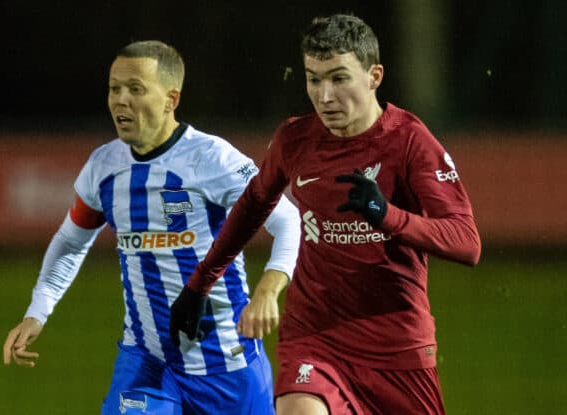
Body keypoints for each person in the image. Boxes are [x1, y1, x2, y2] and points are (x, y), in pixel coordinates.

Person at [170, 14, 481, 415]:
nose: (325, 96)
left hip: (397, 345)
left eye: (339, 78)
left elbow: (466, 243)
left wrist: (388, 216)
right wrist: (199, 284)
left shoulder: (409, 141)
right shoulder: (295, 139)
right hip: (315, 337)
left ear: (374, 76)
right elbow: (251, 207)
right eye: (313, 79)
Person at [3, 40, 301, 415]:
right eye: (115, 88)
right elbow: (70, 241)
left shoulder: (212, 159)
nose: (120, 100)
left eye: (136, 89)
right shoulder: (104, 167)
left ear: (170, 99)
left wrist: (266, 293)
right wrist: (38, 309)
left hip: (225, 359)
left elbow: (288, 220)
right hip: (146, 361)